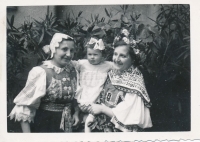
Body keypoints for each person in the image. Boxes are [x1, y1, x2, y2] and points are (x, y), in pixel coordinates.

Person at [9, 33, 80, 133]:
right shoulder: (41, 72)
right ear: (54, 49)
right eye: (64, 49)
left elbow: (75, 97)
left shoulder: (73, 70)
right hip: (45, 125)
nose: (69, 54)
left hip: (67, 125)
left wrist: (76, 113)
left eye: (71, 50)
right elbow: (25, 107)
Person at [85, 29, 153, 132]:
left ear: (133, 59)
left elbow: (127, 115)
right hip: (100, 127)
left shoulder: (135, 81)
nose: (116, 59)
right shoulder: (112, 73)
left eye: (123, 56)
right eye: (115, 54)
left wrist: (102, 109)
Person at [71, 37, 113, 132]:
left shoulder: (107, 65)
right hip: (83, 97)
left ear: (102, 55)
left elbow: (119, 66)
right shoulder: (82, 63)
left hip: (96, 99)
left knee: (90, 123)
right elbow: (69, 63)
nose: (92, 57)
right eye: (89, 54)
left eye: (95, 54)